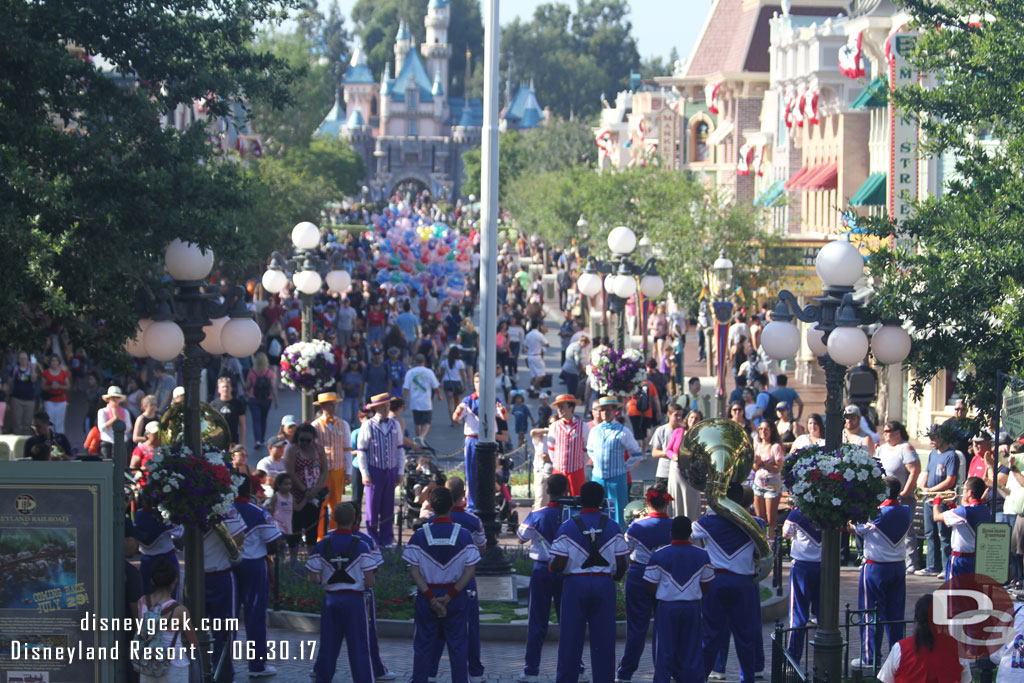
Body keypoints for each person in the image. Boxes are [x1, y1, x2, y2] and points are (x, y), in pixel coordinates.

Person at [550, 481, 629, 683]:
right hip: (604, 584)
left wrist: (556, 569)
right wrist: (615, 578)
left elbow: (558, 564)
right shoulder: (613, 526)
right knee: (604, 641)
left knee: (570, 640)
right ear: (602, 501)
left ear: (580, 500)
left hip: (575, 585)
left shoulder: (567, 526)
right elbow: (622, 563)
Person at [402, 486, 481, 683]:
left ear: (431, 505)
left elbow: (414, 571)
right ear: (453, 504)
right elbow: (470, 571)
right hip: (455, 597)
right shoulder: (463, 536)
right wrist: (449, 596)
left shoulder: (420, 535)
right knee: (458, 646)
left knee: (422, 645)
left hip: (427, 596)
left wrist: (431, 597)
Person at [693, 483, 764, 682]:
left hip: (716, 582)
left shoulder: (707, 522)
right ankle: (747, 678)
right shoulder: (755, 523)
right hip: (744, 583)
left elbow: (690, 534)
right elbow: (761, 552)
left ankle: (702, 677)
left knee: (710, 635)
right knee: (745, 636)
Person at [306, 502, 381, 683]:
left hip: (331, 600)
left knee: (328, 647)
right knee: (359, 647)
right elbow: (370, 581)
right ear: (355, 519)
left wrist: (326, 579)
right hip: (354, 601)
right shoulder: (362, 546)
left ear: (333, 519)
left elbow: (313, 578)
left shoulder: (322, 545)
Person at [851, 476, 913, 670]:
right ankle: (898, 656)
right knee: (895, 615)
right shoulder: (906, 511)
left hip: (876, 567)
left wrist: (851, 519)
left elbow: (858, 529)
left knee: (871, 613)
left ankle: (870, 658)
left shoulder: (877, 513)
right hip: (898, 567)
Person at [643, 515, 714, 683]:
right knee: (691, 651)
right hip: (691, 607)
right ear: (690, 533)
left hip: (667, 608)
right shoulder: (702, 555)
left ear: (671, 532)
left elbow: (650, 585)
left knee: (665, 651)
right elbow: (706, 585)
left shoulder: (659, 555)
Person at [427, 478, 486, 682]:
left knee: (433, 628)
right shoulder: (472, 521)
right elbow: (482, 547)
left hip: (435, 579)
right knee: (468, 629)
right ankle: (474, 671)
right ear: (463, 494)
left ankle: (430, 669)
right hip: (464, 579)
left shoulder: (430, 522)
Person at [516, 474, 571, 683]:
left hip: (542, 570)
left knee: (537, 620)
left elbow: (521, 538)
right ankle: (578, 666)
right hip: (566, 572)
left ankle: (531, 670)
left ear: (547, 491)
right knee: (568, 621)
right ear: (566, 491)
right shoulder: (571, 516)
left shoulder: (537, 514)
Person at [617, 485, 674, 683]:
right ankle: (664, 673)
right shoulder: (675, 525)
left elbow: (626, 550)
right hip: (666, 577)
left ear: (647, 503)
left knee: (636, 628)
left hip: (639, 575)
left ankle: (625, 673)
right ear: (667, 503)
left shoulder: (636, 525)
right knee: (664, 628)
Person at [232, 475, 282, 678]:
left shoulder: (223, 510)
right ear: (249, 490)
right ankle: (257, 665)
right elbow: (273, 542)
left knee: (228, 618)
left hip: (230, 566)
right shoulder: (257, 511)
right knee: (255, 616)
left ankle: (225, 666)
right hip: (254, 565)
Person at [875, 594, 971, 683]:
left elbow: (886, 679)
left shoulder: (900, 648)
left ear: (916, 618)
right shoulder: (957, 648)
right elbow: (966, 680)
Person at [134, 557, 198, 683]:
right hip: (175, 666)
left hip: (147, 665)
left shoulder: (141, 603)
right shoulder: (179, 611)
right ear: (174, 581)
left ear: (152, 581)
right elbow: (194, 643)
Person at [357, 392, 407, 547]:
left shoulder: (395, 424)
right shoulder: (368, 425)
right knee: (372, 507)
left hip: (390, 470)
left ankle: (387, 538)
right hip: (374, 470)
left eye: (387, 405)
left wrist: (400, 471)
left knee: (388, 506)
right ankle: (372, 537)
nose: (385, 408)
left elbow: (400, 449)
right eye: (382, 406)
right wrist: (364, 472)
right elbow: (361, 451)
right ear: (376, 407)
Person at [452, 374, 508, 511]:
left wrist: (501, 410)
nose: (479, 384)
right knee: (471, 472)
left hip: (488, 439)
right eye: (476, 382)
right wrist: (458, 411)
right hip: (472, 439)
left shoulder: (493, 399)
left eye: (481, 382)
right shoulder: (468, 400)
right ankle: (472, 505)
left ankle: (488, 502)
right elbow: (456, 418)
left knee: (489, 472)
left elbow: (505, 417)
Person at [586, 396, 644, 526]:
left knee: (618, 511)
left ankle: (619, 537)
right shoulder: (595, 431)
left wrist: (624, 467)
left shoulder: (623, 431)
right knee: (596, 510)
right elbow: (590, 449)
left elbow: (637, 453)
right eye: (602, 410)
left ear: (614, 411)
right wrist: (597, 463)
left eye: (608, 410)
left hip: (617, 478)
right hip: (598, 477)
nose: (605, 413)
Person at [203, 504, 245, 677]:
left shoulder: (226, 507)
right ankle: (204, 671)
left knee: (225, 628)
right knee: (194, 629)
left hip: (219, 575)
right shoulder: (185, 506)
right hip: (201, 577)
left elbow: (239, 538)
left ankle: (223, 673)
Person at [876, 420, 922, 571]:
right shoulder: (882, 449)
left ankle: (911, 563)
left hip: (902, 497)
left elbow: (915, 470)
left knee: (907, 530)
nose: (885, 434)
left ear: (897, 433)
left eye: (888, 431)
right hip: (884, 498)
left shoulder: (905, 448)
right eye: (884, 431)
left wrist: (905, 492)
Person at [916, 425, 959, 576]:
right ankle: (932, 566)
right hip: (929, 498)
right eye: (930, 437)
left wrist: (932, 490)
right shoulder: (933, 454)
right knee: (930, 533)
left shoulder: (951, 455)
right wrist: (923, 486)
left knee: (944, 534)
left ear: (943, 437)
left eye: (934, 437)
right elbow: (927, 472)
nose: (931, 441)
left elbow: (950, 480)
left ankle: (946, 567)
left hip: (942, 499)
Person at [782, 506, 821, 664]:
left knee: (798, 614)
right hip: (825, 567)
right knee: (824, 615)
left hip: (803, 567)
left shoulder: (797, 513)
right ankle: (822, 662)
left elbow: (785, 534)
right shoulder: (831, 510)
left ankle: (793, 658)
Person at [934, 475, 991, 580]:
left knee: (953, 593)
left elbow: (936, 517)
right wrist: (952, 507)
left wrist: (936, 502)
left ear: (970, 493)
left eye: (964, 489)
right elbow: (963, 520)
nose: (962, 492)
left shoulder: (964, 511)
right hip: (975, 559)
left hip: (960, 559)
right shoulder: (985, 510)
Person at [284, 424, 329, 551]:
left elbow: (325, 471)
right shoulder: (292, 449)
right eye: (301, 440)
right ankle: (293, 556)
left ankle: (312, 556)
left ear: (313, 439)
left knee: (312, 526)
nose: (304, 443)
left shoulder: (319, 449)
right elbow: (290, 472)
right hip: (297, 494)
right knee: (296, 525)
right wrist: (304, 490)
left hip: (315, 494)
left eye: (308, 440)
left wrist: (315, 490)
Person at [311, 392, 351, 536]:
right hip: (322, 472)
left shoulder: (343, 424)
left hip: (338, 469)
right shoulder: (315, 426)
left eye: (334, 404)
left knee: (337, 504)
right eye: (330, 404)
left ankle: (335, 533)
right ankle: (320, 536)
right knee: (321, 505)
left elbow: (347, 448)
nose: (333, 407)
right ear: (322, 406)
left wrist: (348, 472)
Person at [133, 505, 182, 595]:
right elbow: (179, 532)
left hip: (148, 559)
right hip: (166, 558)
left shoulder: (139, 514)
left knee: (147, 596)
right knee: (170, 596)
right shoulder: (165, 513)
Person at [665, 409, 704, 521]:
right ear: (687, 419)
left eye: (696, 418)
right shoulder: (678, 432)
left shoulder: (701, 435)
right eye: (691, 417)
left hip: (692, 472)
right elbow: (668, 450)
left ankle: (691, 527)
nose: (693, 420)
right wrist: (673, 456)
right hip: (676, 470)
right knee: (677, 499)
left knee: (691, 499)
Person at [752, 419, 785, 535]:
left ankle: (771, 544)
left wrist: (763, 464)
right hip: (758, 485)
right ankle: (761, 545)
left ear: (771, 431)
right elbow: (755, 468)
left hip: (772, 486)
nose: (763, 432)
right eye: (760, 429)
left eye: (766, 429)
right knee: (760, 520)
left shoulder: (775, 447)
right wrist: (756, 463)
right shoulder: (757, 446)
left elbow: (778, 468)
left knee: (771, 520)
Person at [403, 353, 441, 442]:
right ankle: (422, 437)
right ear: (424, 362)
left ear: (414, 362)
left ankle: (419, 438)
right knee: (427, 422)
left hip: (415, 402)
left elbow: (406, 388)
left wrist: (403, 400)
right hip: (426, 402)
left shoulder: (410, 372)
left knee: (417, 422)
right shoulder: (429, 372)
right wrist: (439, 395)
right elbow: (436, 386)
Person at [245, 351, 277, 449]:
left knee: (256, 420)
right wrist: (276, 401)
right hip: (266, 399)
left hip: (253, 398)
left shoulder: (252, 372)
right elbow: (272, 387)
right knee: (263, 419)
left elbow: (247, 386)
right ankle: (262, 439)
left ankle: (257, 440)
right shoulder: (269, 373)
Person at [650, 402, 683, 487]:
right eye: (676, 415)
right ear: (669, 414)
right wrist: (669, 453)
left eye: (681, 415)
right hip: (664, 472)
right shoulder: (661, 430)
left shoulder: (682, 430)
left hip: (679, 472)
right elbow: (654, 453)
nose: (679, 418)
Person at [267, 473, 298, 562]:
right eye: (285, 484)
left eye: (290, 484)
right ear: (278, 485)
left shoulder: (291, 497)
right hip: (278, 526)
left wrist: (307, 499)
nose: (288, 486)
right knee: (279, 545)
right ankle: (276, 563)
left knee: (284, 547)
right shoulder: (276, 497)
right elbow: (271, 511)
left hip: (288, 526)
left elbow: (297, 508)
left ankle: (280, 566)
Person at [210, 376, 246, 446]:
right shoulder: (213, 405)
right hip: (218, 441)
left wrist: (242, 443)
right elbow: (210, 424)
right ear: (219, 390)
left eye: (227, 387)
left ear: (231, 388)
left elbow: (242, 424)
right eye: (223, 387)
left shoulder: (238, 404)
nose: (225, 389)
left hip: (233, 441)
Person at [97, 385, 131, 460]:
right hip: (107, 443)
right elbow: (102, 428)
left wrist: (118, 417)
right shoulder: (102, 411)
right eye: (113, 397)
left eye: (117, 397)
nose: (115, 399)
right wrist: (114, 418)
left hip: (121, 443)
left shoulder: (125, 412)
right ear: (108, 399)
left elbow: (128, 427)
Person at [41, 354, 70, 435]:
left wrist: (59, 386)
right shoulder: (46, 373)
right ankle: (49, 436)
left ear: (58, 362)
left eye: (56, 361)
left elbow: (67, 386)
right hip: (50, 400)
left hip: (61, 399)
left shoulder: (63, 373)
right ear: (50, 362)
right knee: (50, 420)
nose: (54, 362)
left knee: (60, 421)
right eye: (52, 361)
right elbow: (42, 387)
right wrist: (50, 386)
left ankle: (60, 437)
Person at [441, 346, 468, 423]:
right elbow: (463, 375)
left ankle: (452, 421)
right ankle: (458, 418)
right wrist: (465, 385)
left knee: (450, 402)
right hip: (457, 383)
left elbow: (441, 373)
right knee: (458, 401)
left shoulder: (445, 362)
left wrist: (439, 382)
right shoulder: (460, 362)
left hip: (447, 383)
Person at [524, 322, 548, 397]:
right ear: (538, 326)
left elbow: (526, 346)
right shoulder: (539, 335)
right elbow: (547, 344)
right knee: (542, 375)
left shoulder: (528, 335)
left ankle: (533, 390)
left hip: (530, 356)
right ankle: (532, 387)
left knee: (533, 375)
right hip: (537, 356)